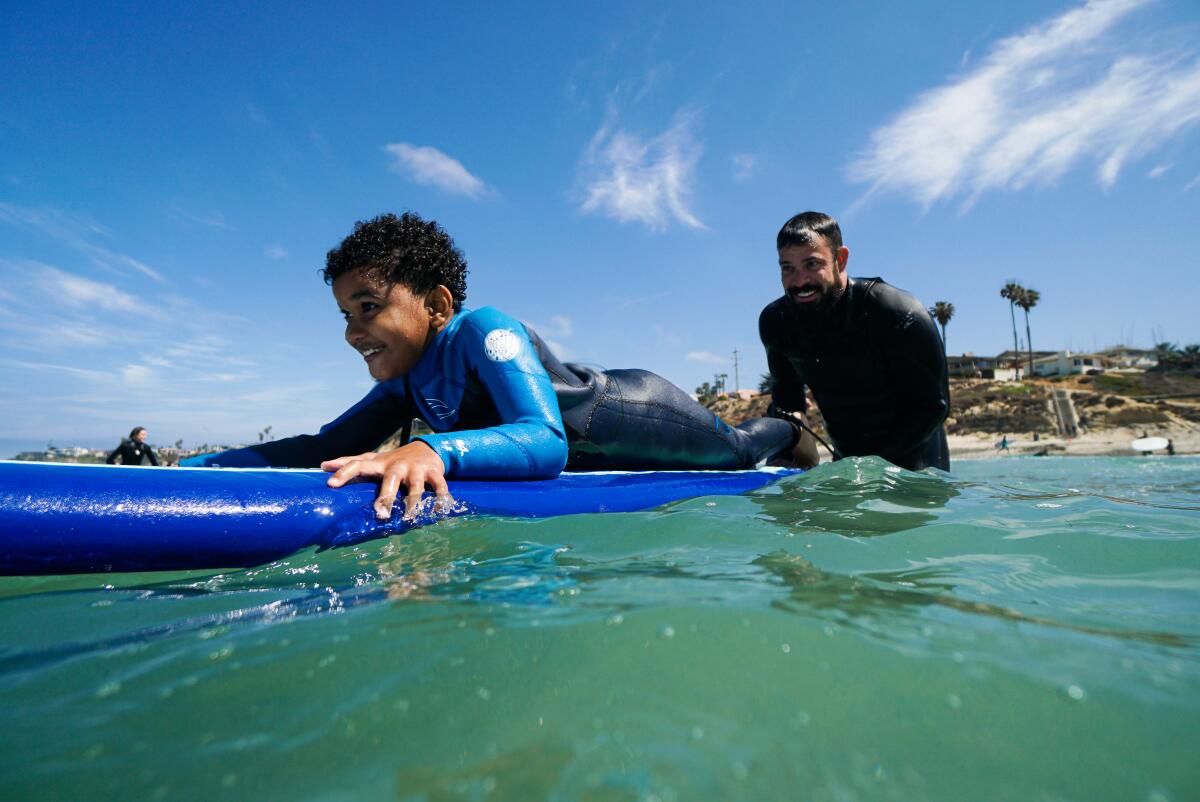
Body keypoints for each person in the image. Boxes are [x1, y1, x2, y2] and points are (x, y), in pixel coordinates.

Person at [185, 212, 797, 519]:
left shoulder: (484, 330)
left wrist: (431, 450)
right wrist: (201, 468)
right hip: (601, 454)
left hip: (633, 414)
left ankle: (793, 428)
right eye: (345, 314)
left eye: (369, 307)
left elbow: (545, 441)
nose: (353, 331)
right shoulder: (406, 382)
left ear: (437, 304)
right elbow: (324, 445)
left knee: (741, 450)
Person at [759, 211, 950, 471]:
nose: (799, 281)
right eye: (788, 268)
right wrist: (786, 452)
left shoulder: (893, 311)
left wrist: (873, 467)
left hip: (916, 466)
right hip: (849, 465)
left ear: (840, 259)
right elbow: (787, 396)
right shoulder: (777, 322)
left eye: (812, 264)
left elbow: (934, 405)